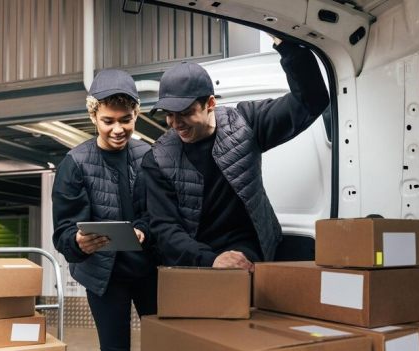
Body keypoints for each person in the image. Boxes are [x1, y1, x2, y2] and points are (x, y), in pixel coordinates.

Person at [141, 36, 330, 271]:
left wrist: (286, 45)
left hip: (248, 250)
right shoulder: (158, 159)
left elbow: (312, 101)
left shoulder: (245, 124)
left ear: (210, 103)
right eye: (168, 114)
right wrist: (209, 259)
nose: (175, 123)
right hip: (193, 260)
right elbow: (166, 228)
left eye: (185, 113)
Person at [52, 69, 157, 351]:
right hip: (103, 276)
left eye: (125, 120)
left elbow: (157, 212)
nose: (118, 129)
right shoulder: (76, 163)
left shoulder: (149, 156)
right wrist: (77, 242)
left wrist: (143, 229)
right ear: (93, 115)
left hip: (148, 273)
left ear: (136, 114)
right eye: (108, 120)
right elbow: (63, 230)